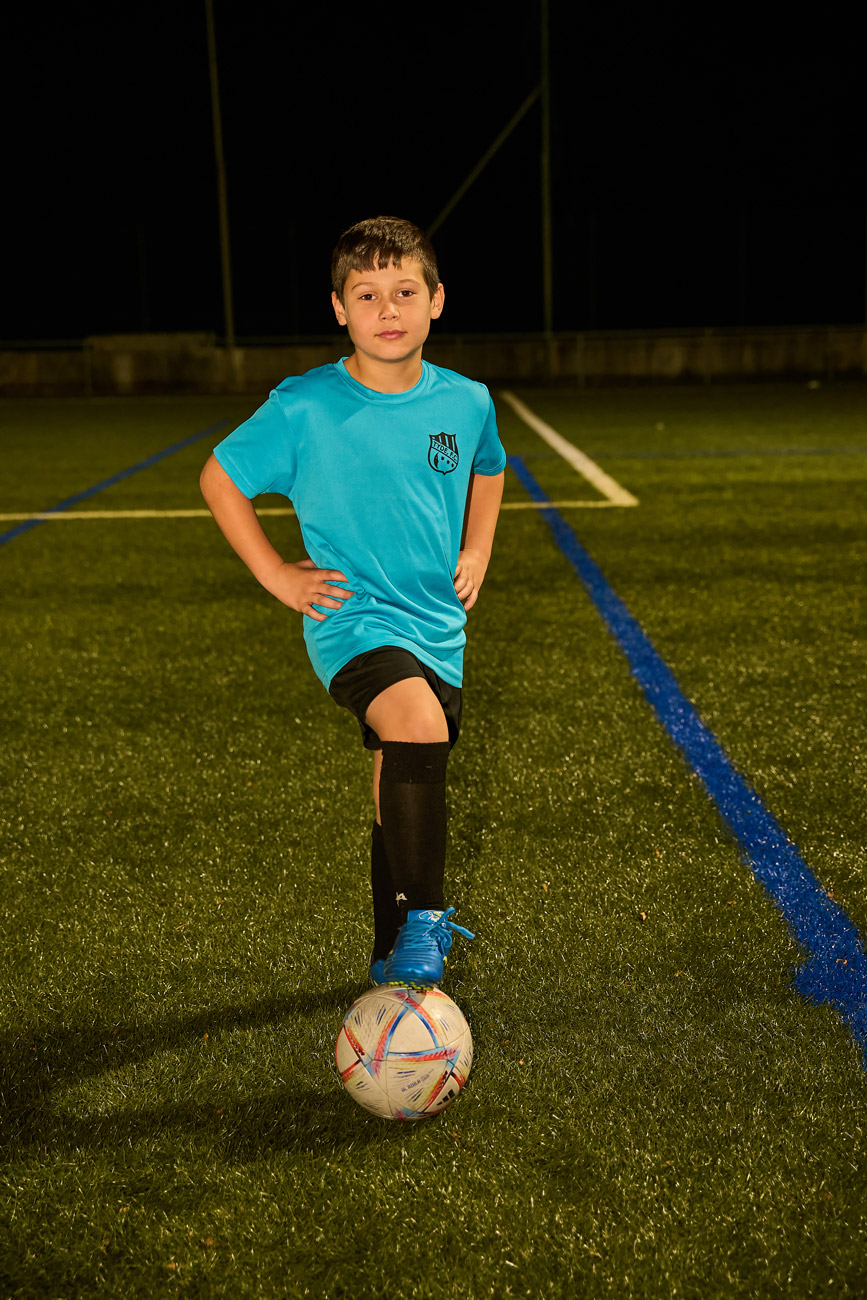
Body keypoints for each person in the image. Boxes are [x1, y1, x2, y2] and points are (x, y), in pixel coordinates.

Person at [200, 215, 505, 988]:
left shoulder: (466, 402)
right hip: (352, 618)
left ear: (437, 300)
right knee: (416, 725)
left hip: (436, 623)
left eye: (405, 291)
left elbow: (490, 468)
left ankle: (387, 949)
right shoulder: (305, 406)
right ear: (339, 309)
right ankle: (426, 921)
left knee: (395, 775)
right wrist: (278, 575)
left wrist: (475, 551)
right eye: (366, 294)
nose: (387, 309)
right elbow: (220, 478)